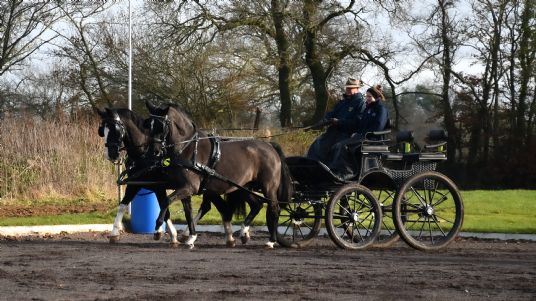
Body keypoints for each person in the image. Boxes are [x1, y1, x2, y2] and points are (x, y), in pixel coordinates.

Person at [327, 85, 389, 180]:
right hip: (362, 137)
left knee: (343, 146)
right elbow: (360, 125)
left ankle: (347, 172)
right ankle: (336, 170)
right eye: (366, 96)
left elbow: (378, 127)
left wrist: (362, 134)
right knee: (337, 145)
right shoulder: (368, 109)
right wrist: (356, 133)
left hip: (373, 140)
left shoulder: (381, 109)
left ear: (376, 97)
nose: (367, 99)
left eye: (369, 96)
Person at [306, 78, 365, 164]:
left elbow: (356, 122)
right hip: (333, 132)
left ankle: (333, 171)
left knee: (336, 148)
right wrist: (324, 120)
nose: (348, 90)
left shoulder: (360, 103)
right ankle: (312, 166)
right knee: (317, 144)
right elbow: (332, 113)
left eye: (350, 88)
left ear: (357, 89)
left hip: (347, 134)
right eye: (347, 88)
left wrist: (339, 122)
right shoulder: (343, 102)